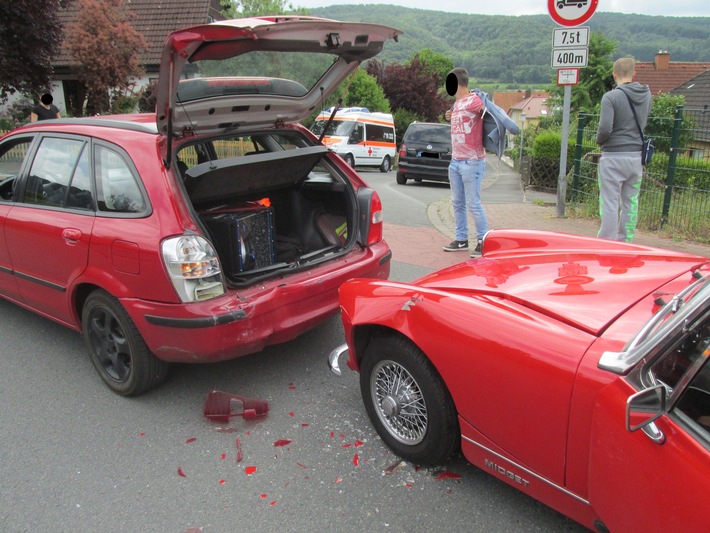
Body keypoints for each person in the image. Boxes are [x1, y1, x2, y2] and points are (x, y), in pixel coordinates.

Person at [596, 57, 652, 242]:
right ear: (634, 73)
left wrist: (600, 142)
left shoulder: (610, 97)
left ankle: (607, 242)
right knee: (631, 201)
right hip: (636, 157)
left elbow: (605, 128)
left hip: (613, 156)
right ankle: (626, 240)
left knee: (610, 201)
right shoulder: (646, 95)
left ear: (614, 74)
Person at [443, 67, 488, 255]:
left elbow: (487, 112)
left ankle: (483, 240)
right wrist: (450, 116)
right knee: (457, 203)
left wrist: (485, 111)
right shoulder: (457, 104)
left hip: (472, 161)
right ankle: (461, 239)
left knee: (473, 203)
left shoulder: (474, 100)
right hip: (456, 161)